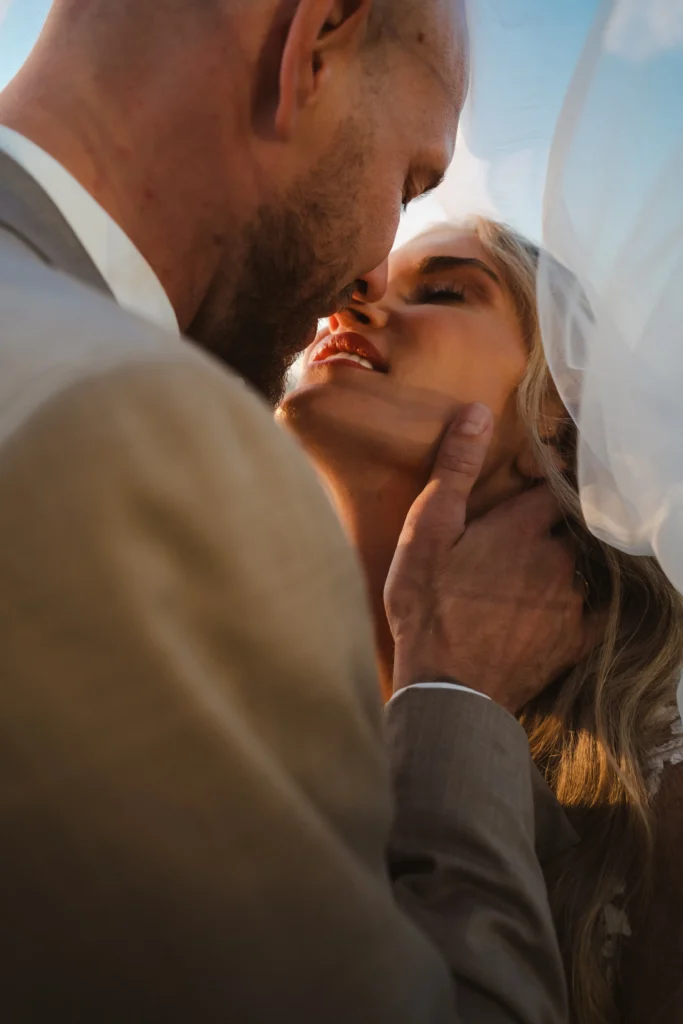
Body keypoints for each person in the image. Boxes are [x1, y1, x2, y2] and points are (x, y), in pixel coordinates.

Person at [0, 1, 596, 1020]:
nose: (362, 279)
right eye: (406, 180)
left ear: (558, 416)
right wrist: (457, 708)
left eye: (441, 285)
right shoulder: (141, 436)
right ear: (308, 41)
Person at [278, 216, 683, 1024]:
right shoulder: (218, 702)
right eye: (348, 287)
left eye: (440, 290)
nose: (344, 307)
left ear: (559, 426)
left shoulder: (652, 800)